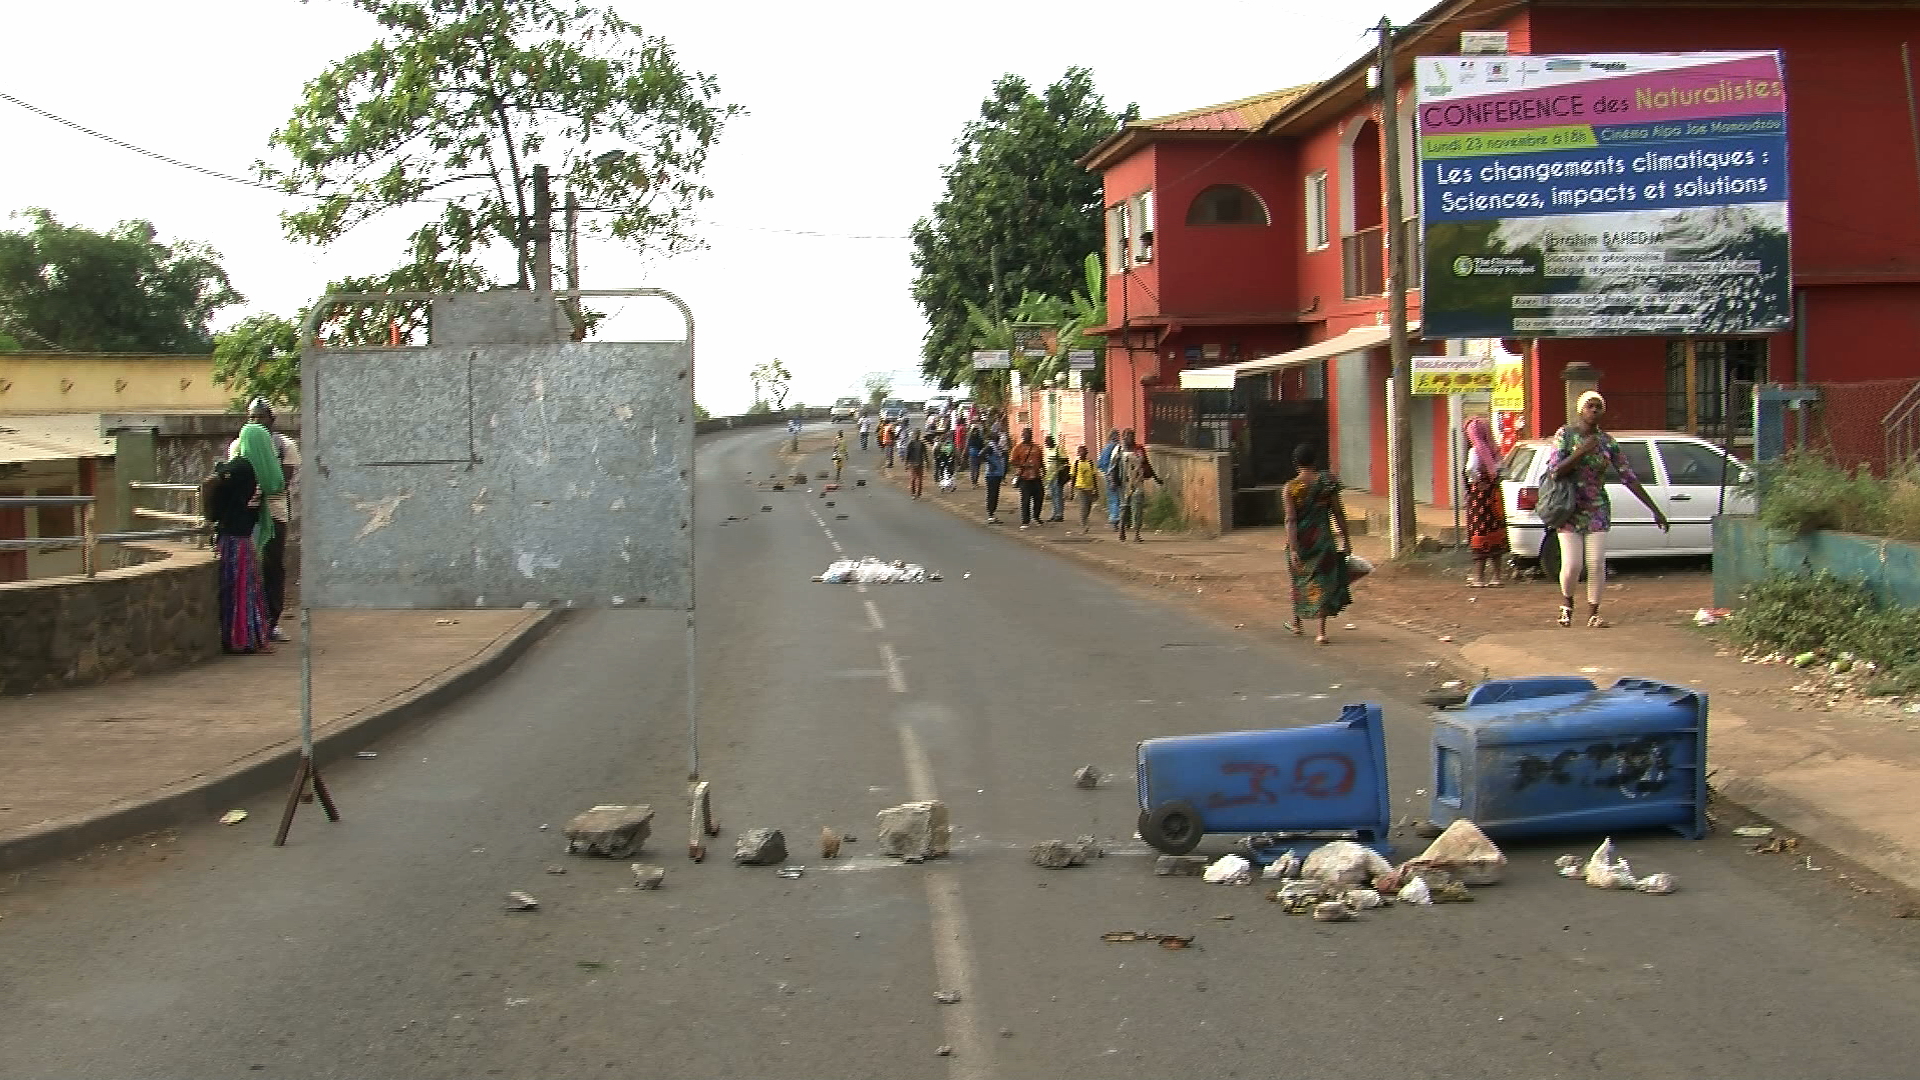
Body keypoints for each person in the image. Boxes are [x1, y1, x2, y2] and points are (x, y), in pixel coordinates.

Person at [1546, 391, 1669, 628]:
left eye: (1598, 407)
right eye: (1590, 406)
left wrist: (1654, 509)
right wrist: (1580, 451)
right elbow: (1555, 471)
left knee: (1596, 562)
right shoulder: (1566, 435)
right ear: (1580, 410)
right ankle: (1567, 603)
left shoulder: (1607, 442)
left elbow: (1628, 477)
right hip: (1569, 507)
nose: (1594, 411)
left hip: (1597, 507)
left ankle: (1594, 612)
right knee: (1572, 564)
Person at [226, 401, 298, 641]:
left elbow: (279, 484)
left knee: (272, 566)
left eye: (260, 417)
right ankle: (249, 623)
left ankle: (272, 620)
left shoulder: (284, 446)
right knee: (245, 568)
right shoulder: (239, 445)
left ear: (271, 419)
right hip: (246, 515)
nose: (256, 422)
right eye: (251, 418)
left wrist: (258, 487)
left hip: (274, 513)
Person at [207, 438, 274, 654]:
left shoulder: (248, 473)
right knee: (241, 589)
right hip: (238, 540)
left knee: (238, 589)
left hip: (235, 539)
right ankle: (242, 637)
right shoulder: (246, 472)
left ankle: (240, 636)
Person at [1283, 443, 1353, 645]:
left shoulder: (1291, 488)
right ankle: (1321, 632)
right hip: (1323, 539)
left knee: (1299, 580)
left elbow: (1291, 520)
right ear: (1315, 461)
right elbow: (1338, 513)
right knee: (1323, 581)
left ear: (1296, 463)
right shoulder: (1327, 483)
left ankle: (1297, 624)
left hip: (1300, 540)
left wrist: (1294, 548)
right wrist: (1346, 539)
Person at [1462, 415, 1509, 588]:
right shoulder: (1495, 451)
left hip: (1479, 498)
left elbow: (1471, 470)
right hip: (1494, 497)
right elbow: (1502, 470)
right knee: (1496, 533)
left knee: (1479, 534)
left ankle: (1479, 578)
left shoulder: (1475, 451)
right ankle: (1497, 577)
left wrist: (1477, 481)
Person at [1114, 429, 1158, 542]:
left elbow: (1146, 464)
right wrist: (1113, 481)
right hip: (1124, 483)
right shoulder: (1118, 450)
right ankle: (1122, 530)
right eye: (1128, 435)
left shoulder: (1139, 449)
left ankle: (1136, 534)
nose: (1131, 438)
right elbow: (1112, 467)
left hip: (1137, 482)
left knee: (1137, 508)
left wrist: (1156, 477)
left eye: (1133, 435)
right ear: (1123, 437)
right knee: (1124, 508)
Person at [1009, 427, 1046, 528]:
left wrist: (1044, 471)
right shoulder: (1018, 448)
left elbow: (1041, 460)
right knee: (1025, 500)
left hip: (1037, 477)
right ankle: (1025, 521)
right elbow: (1012, 461)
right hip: (1024, 477)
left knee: (1039, 498)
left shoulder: (1037, 447)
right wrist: (1024, 465)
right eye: (1024, 434)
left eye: (1028, 434)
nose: (1026, 436)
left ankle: (1036, 517)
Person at [1096, 430, 1123, 530]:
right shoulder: (1121, 448)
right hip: (1122, 476)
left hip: (1111, 476)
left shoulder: (1108, 448)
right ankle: (1124, 520)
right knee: (1121, 497)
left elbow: (1100, 463)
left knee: (1113, 497)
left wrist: (1107, 472)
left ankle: (1114, 519)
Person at [1072, 444, 1100, 533]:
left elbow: (1094, 476)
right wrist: (1072, 489)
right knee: (1083, 506)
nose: (1081, 453)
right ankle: (1084, 524)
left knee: (1088, 507)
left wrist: (1096, 489)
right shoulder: (1076, 464)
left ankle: (1085, 519)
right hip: (1080, 488)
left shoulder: (1090, 463)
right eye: (1079, 452)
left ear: (1086, 453)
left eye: (1083, 451)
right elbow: (1073, 476)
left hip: (1089, 488)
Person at [981, 436, 1007, 524]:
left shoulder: (997, 447)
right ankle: (990, 515)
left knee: (995, 494)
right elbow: (981, 455)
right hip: (991, 475)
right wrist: (990, 463)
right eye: (996, 437)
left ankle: (992, 514)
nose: (998, 439)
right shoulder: (990, 447)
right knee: (992, 495)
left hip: (998, 474)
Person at [1045, 435, 1068, 522]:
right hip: (1050, 476)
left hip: (1057, 476)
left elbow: (1065, 460)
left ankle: (1059, 514)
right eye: (1045, 442)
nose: (1046, 443)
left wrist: (1059, 468)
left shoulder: (1058, 449)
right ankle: (1054, 514)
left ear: (1052, 441)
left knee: (1058, 495)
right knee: (1053, 496)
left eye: (1047, 441)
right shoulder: (1048, 450)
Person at [903, 428, 929, 498]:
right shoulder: (921, 444)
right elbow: (925, 454)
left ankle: (913, 493)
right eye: (916, 434)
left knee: (914, 479)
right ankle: (918, 493)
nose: (916, 435)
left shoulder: (911, 443)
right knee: (918, 479)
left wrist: (906, 464)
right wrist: (927, 463)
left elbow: (907, 455)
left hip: (913, 463)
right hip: (918, 463)